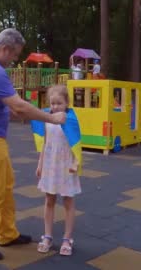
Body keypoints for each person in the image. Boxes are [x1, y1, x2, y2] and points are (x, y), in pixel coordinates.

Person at [0, 28, 67, 261]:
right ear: (5, 49)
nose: (14, 61)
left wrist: (10, 113)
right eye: (15, 55)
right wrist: (52, 118)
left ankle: (8, 234)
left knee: (5, 184)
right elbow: (19, 105)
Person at [36, 85, 81, 256]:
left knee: (68, 201)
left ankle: (67, 238)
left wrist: (76, 163)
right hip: (50, 164)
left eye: (59, 103)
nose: (54, 107)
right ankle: (47, 236)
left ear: (67, 103)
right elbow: (44, 143)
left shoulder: (71, 120)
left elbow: (77, 144)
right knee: (49, 200)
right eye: (52, 103)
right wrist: (40, 164)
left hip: (66, 165)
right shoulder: (47, 119)